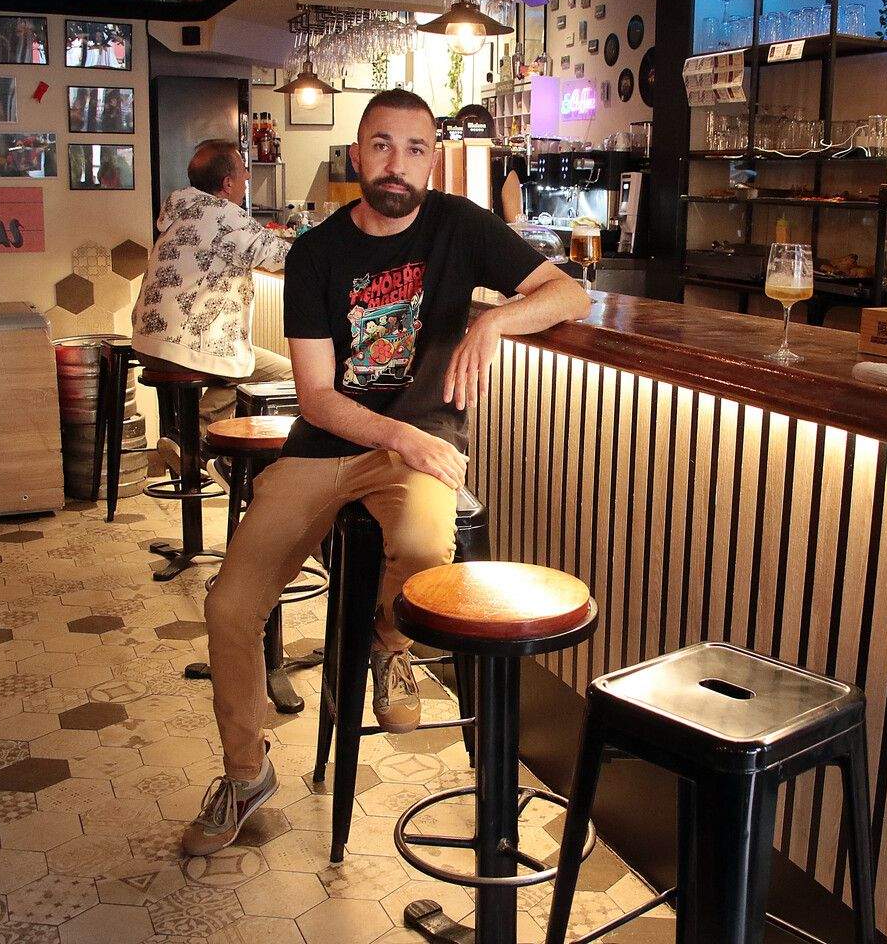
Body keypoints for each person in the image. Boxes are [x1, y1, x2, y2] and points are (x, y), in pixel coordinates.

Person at [181, 89, 590, 856]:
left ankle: (388, 643)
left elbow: (572, 290)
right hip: (329, 446)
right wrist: (400, 434)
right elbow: (318, 397)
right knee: (231, 607)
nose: (396, 164)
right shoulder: (316, 253)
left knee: (427, 549)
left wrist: (493, 318)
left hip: (420, 446)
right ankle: (245, 773)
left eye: (415, 148)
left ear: (433, 158)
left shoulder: (459, 225)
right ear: (356, 152)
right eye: (380, 145)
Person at [131, 139, 296, 440]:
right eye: (243, 171)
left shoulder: (183, 209)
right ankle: (203, 443)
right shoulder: (223, 214)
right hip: (183, 348)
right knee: (284, 375)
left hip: (147, 344)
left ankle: (189, 445)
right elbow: (283, 256)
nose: (248, 177)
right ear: (227, 182)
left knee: (239, 364)